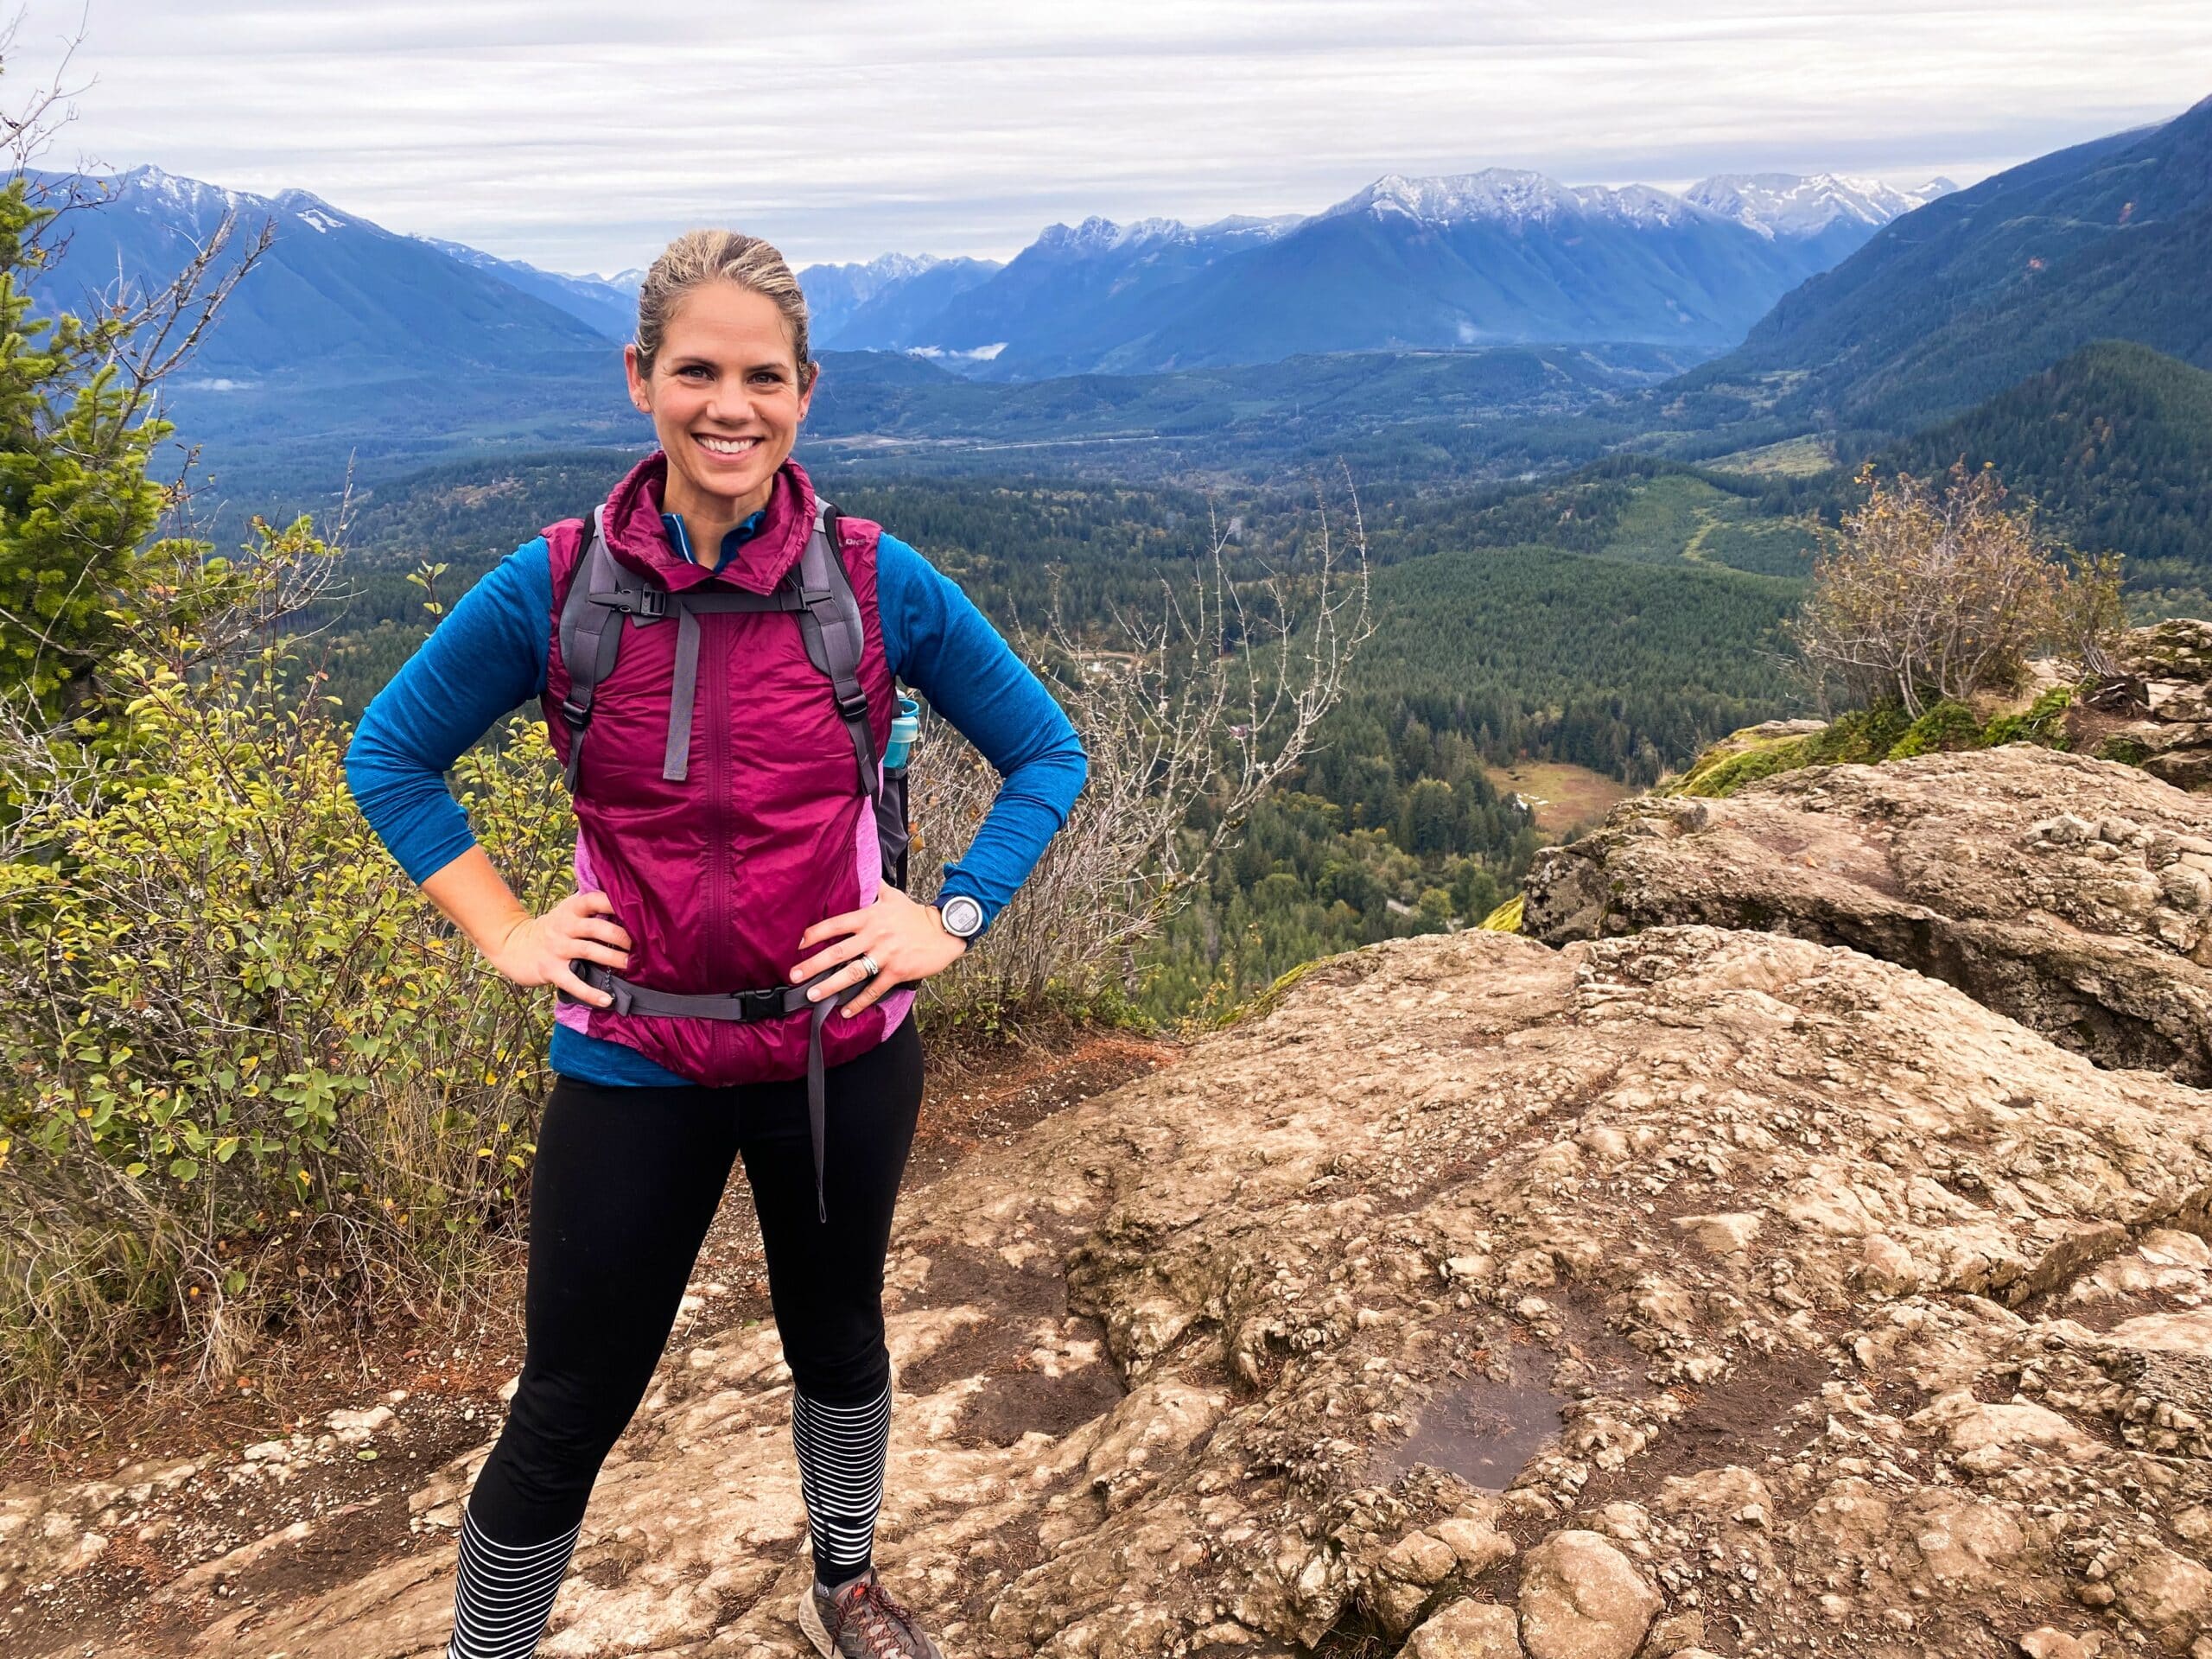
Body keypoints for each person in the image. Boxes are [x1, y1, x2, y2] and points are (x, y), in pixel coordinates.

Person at [346, 228, 1086, 1659]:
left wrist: (951, 917)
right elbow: (392, 756)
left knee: (839, 1343)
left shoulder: (875, 582)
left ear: (806, 393)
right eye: (697, 371)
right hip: (634, 1054)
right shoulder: (555, 583)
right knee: (570, 1397)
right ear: (641, 379)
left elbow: (1044, 753)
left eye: (762, 376)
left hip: (836, 1048)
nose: (727, 406)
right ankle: (482, 1652)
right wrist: (505, 928)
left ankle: (846, 1584)